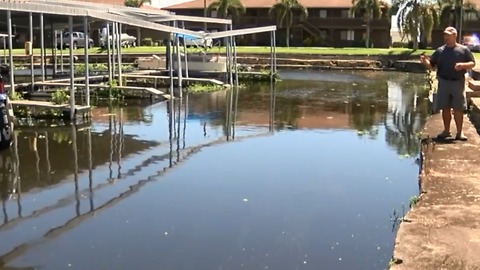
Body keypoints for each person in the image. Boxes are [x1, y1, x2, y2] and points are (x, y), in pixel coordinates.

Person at [420, 26, 476, 141]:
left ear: (455, 35)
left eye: (448, 35)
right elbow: (431, 65)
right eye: (445, 35)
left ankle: (460, 133)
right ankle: (446, 130)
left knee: (458, 108)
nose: (446, 37)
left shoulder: (463, 50)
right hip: (444, 82)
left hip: (457, 82)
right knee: (445, 107)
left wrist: (463, 65)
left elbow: (472, 63)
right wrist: (425, 62)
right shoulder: (440, 51)